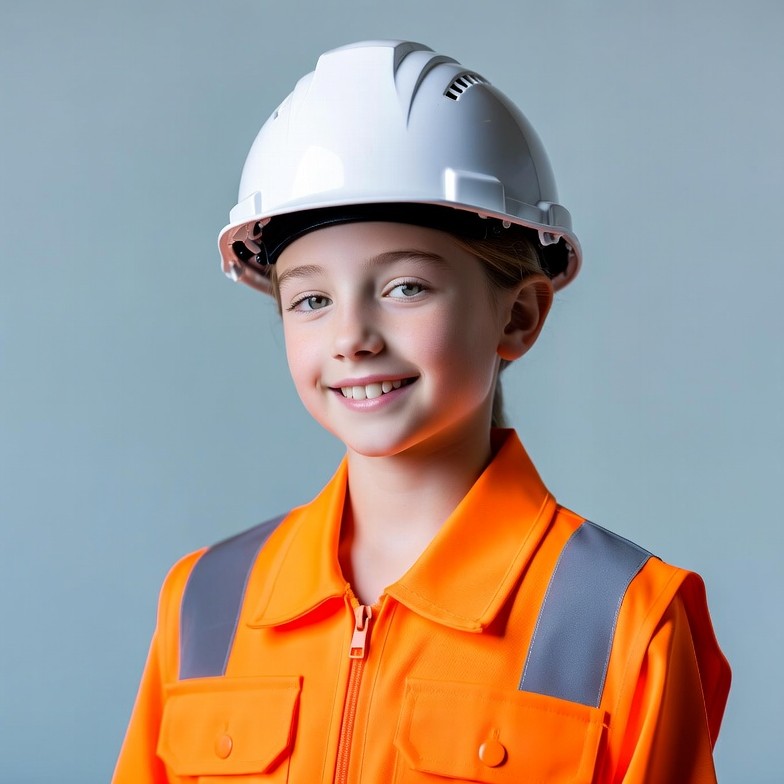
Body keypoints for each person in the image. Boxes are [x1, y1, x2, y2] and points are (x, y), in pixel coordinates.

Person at [113, 40, 730, 783]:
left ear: (520, 318)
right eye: (311, 299)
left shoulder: (623, 616)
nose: (352, 338)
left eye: (405, 287)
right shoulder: (205, 601)